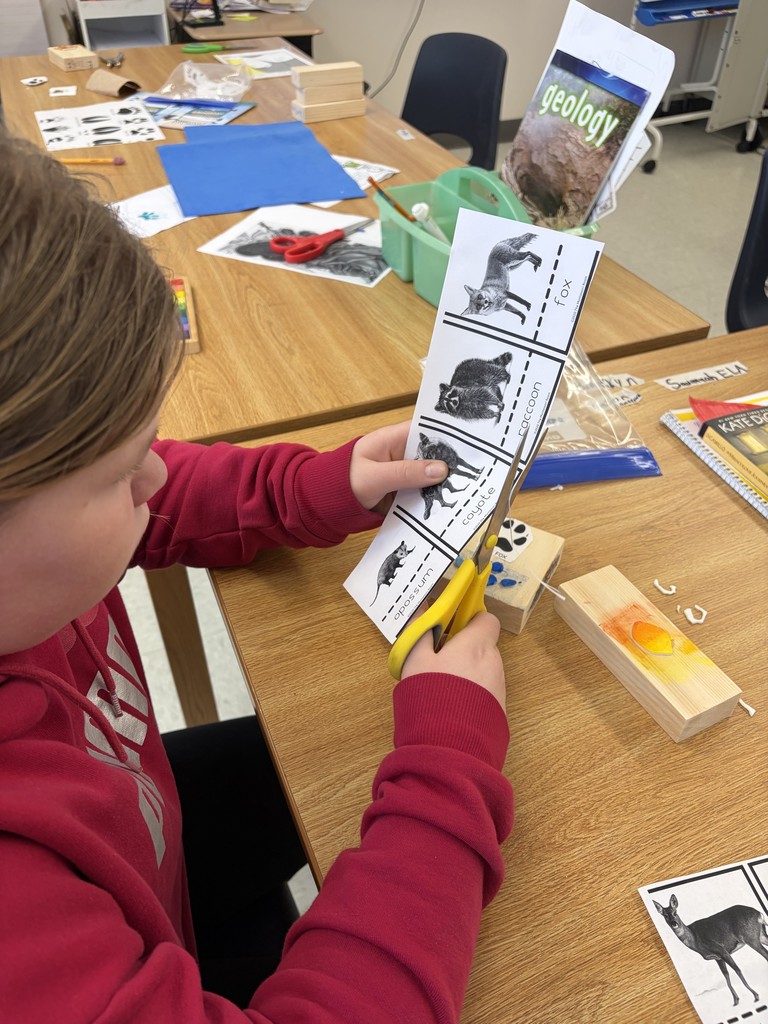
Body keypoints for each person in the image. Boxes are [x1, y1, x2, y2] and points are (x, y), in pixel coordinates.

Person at [0, 131, 513, 1023]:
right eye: (120, 472)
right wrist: (449, 769)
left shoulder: (28, 567)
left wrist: (317, 482)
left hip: (149, 863)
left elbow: (165, 488)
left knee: (321, 747)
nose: (154, 481)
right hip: (142, 925)